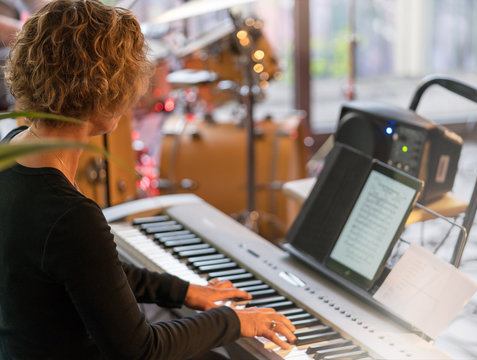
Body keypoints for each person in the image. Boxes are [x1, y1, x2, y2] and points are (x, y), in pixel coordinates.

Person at [0, 0, 296, 359]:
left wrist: (185, 292)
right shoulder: (70, 214)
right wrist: (232, 321)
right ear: (106, 90)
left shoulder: (13, 151)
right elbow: (140, 351)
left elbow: (88, 267)